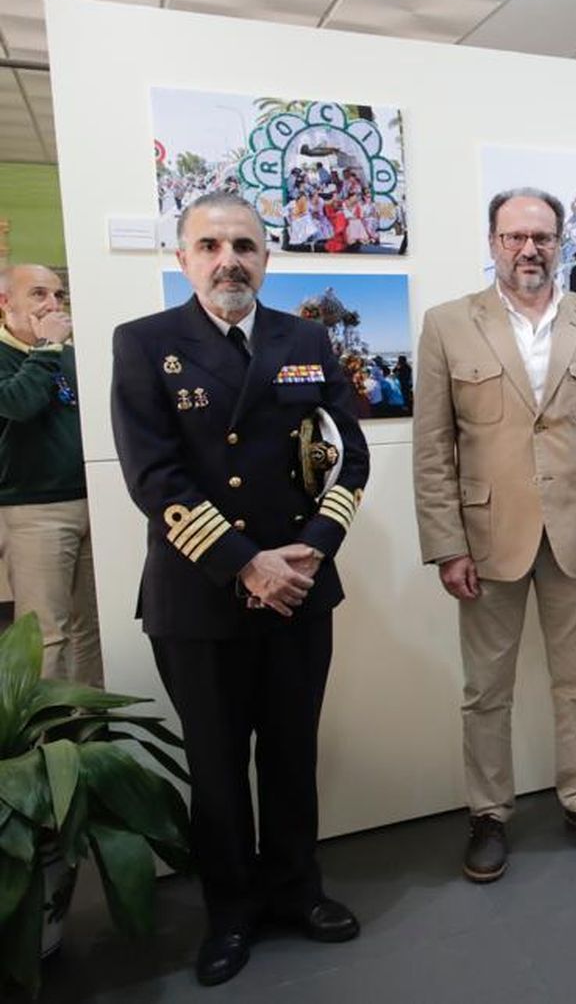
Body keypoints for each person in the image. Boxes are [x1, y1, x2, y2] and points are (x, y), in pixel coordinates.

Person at [109, 192, 370, 986]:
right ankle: (230, 911)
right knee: (217, 765)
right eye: (211, 245)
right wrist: (247, 562)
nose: (230, 260)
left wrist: (313, 550)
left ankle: (297, 889)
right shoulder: (147, 343)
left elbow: (347, 454)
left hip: (299, 589)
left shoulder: (305, 337)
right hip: (200, 595)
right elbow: (154, 477)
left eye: (246, 246)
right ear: (184, 256)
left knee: (292, 752)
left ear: (266, 256)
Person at [413, 187, 576, 882]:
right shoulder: (448, 324)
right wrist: (445, 542)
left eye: (541, 236)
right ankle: (488, 813)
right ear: (492, 243)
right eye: (514, 237)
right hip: (487, 539)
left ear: (561, 242)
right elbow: (432, 446)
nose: (528, 249)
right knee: (487, 688)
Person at [0, 264, 102, 686]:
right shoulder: (42, 351)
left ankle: (91, 739)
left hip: (91, 501)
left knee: (91, 631)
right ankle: (47, 746)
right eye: (39, 294)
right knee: (46, 636)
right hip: (33, 511)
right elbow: (19, 403)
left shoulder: (66, 354)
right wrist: (46, 348)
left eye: (58, 296)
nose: (51, 305)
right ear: (6, 302)